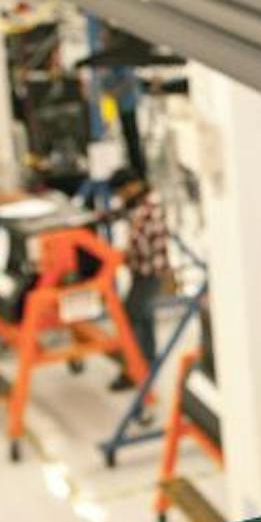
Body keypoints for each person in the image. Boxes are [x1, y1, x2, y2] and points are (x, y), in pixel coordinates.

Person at [105, 166, 168, 390]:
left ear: (132, 186)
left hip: (148, 273)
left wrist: (118, 255)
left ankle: (137, 370)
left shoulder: (149, 208)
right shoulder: (142, 203)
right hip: (143, 272)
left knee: (130, 317)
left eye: (122, 193)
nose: (121, 198)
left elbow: (141, 245)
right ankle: (146, 365)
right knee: (143, 318)